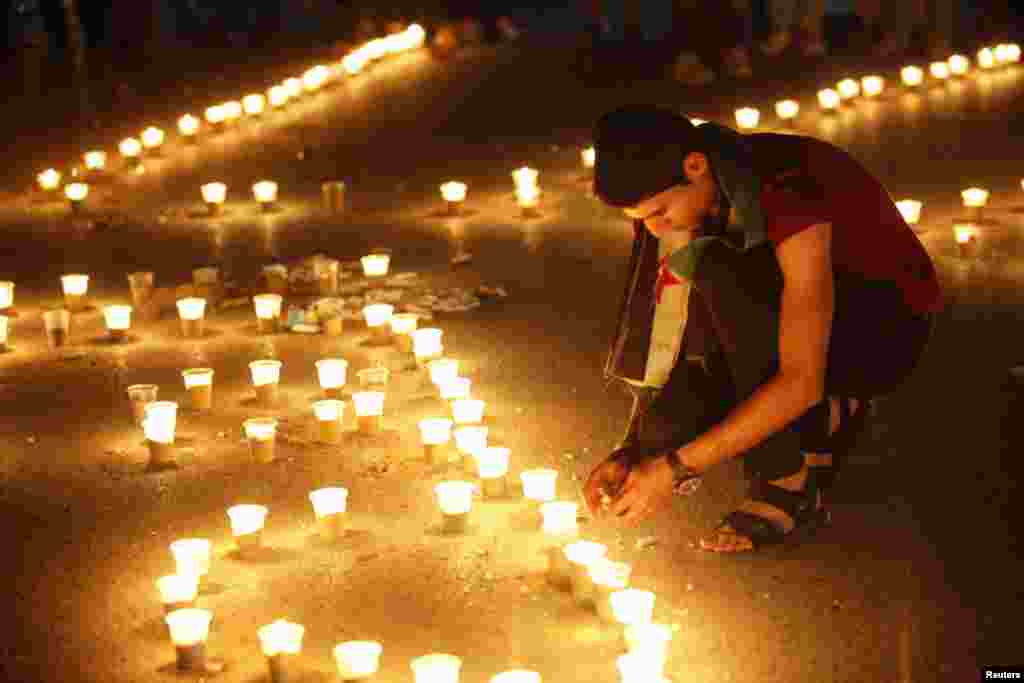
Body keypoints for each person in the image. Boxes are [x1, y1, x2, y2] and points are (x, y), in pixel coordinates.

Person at [583, 106, 941, 553]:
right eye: (641, 218)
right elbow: (663, 336)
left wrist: (673, 469)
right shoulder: (684, 192)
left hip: (879, 328)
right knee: (668, 421)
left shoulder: (788, 191)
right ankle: (829, 416)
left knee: (714, 269)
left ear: (694, 166)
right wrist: (635, 447)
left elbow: (800, 381)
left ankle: (789, 482)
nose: (654, 228)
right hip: (782, 309)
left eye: (658, 212)